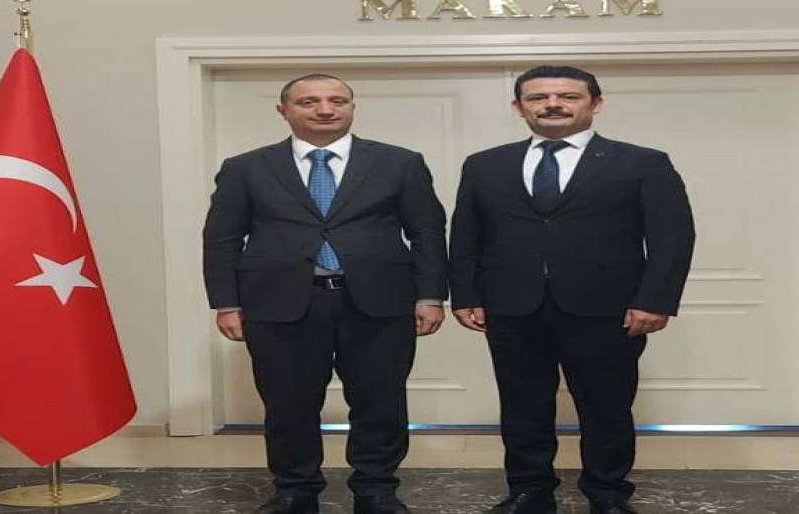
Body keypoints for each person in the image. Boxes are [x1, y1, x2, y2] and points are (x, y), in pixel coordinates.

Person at [449, 66, 695, 514]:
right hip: (511, 304)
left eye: (568, 96)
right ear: (519, 107)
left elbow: (672, 238)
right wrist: (465, 295)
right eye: (538, 97)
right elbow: (466, 235)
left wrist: (654, 301)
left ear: (595, 103)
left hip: (608, 308)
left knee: (606, 405)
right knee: (522, 404)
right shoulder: (485, 164)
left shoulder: (642, 163)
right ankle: (529, 489)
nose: (553, 104)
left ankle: (607, 492)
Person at [203, 74, 448, 514]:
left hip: (379, 301)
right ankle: (295, 489)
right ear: (283, 111)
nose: (325, 109)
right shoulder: (246, 167)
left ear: (352, 107)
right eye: (309, 101)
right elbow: (222, 238)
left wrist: (431, 295)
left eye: (338, 100)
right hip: (279, 303)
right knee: (288, 403)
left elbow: (427, 232)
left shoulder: (399, 162)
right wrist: (227, 302)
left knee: (380, 401)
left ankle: (376, 489)